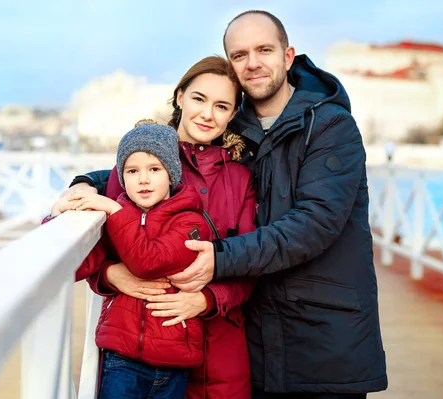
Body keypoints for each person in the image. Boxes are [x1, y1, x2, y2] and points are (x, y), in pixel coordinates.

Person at [62, 10, 388, 399]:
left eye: (264, 49)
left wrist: (216, 260)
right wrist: (90, 182)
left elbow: (314, 224)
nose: (252, 63)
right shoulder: (237, 133)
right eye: (239, 54)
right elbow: (155, 168)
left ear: (288, 56)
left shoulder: (330, 127)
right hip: (255, 342)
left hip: (323, 337)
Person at [52, 56, 257, 399]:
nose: (207, 114)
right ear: (179, 97)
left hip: (220, 349)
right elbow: (103, 241)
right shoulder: (142, 162)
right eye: (198, 99)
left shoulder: (241, 178)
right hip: (139, 349)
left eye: (221, 106)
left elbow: (252, 260)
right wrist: (109, 275)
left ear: (234, 113)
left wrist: (206, 299)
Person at [66, 123, 212, 399]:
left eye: (154, 169)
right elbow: (76, 264)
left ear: (171, 174)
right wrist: (61, 215)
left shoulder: (190, 221)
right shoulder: (114, 218)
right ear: (122, 177)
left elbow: (149, 262)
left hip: (174, 363)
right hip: (121, 358)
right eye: (132, 171)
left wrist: (114, 209)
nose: (143, 179)